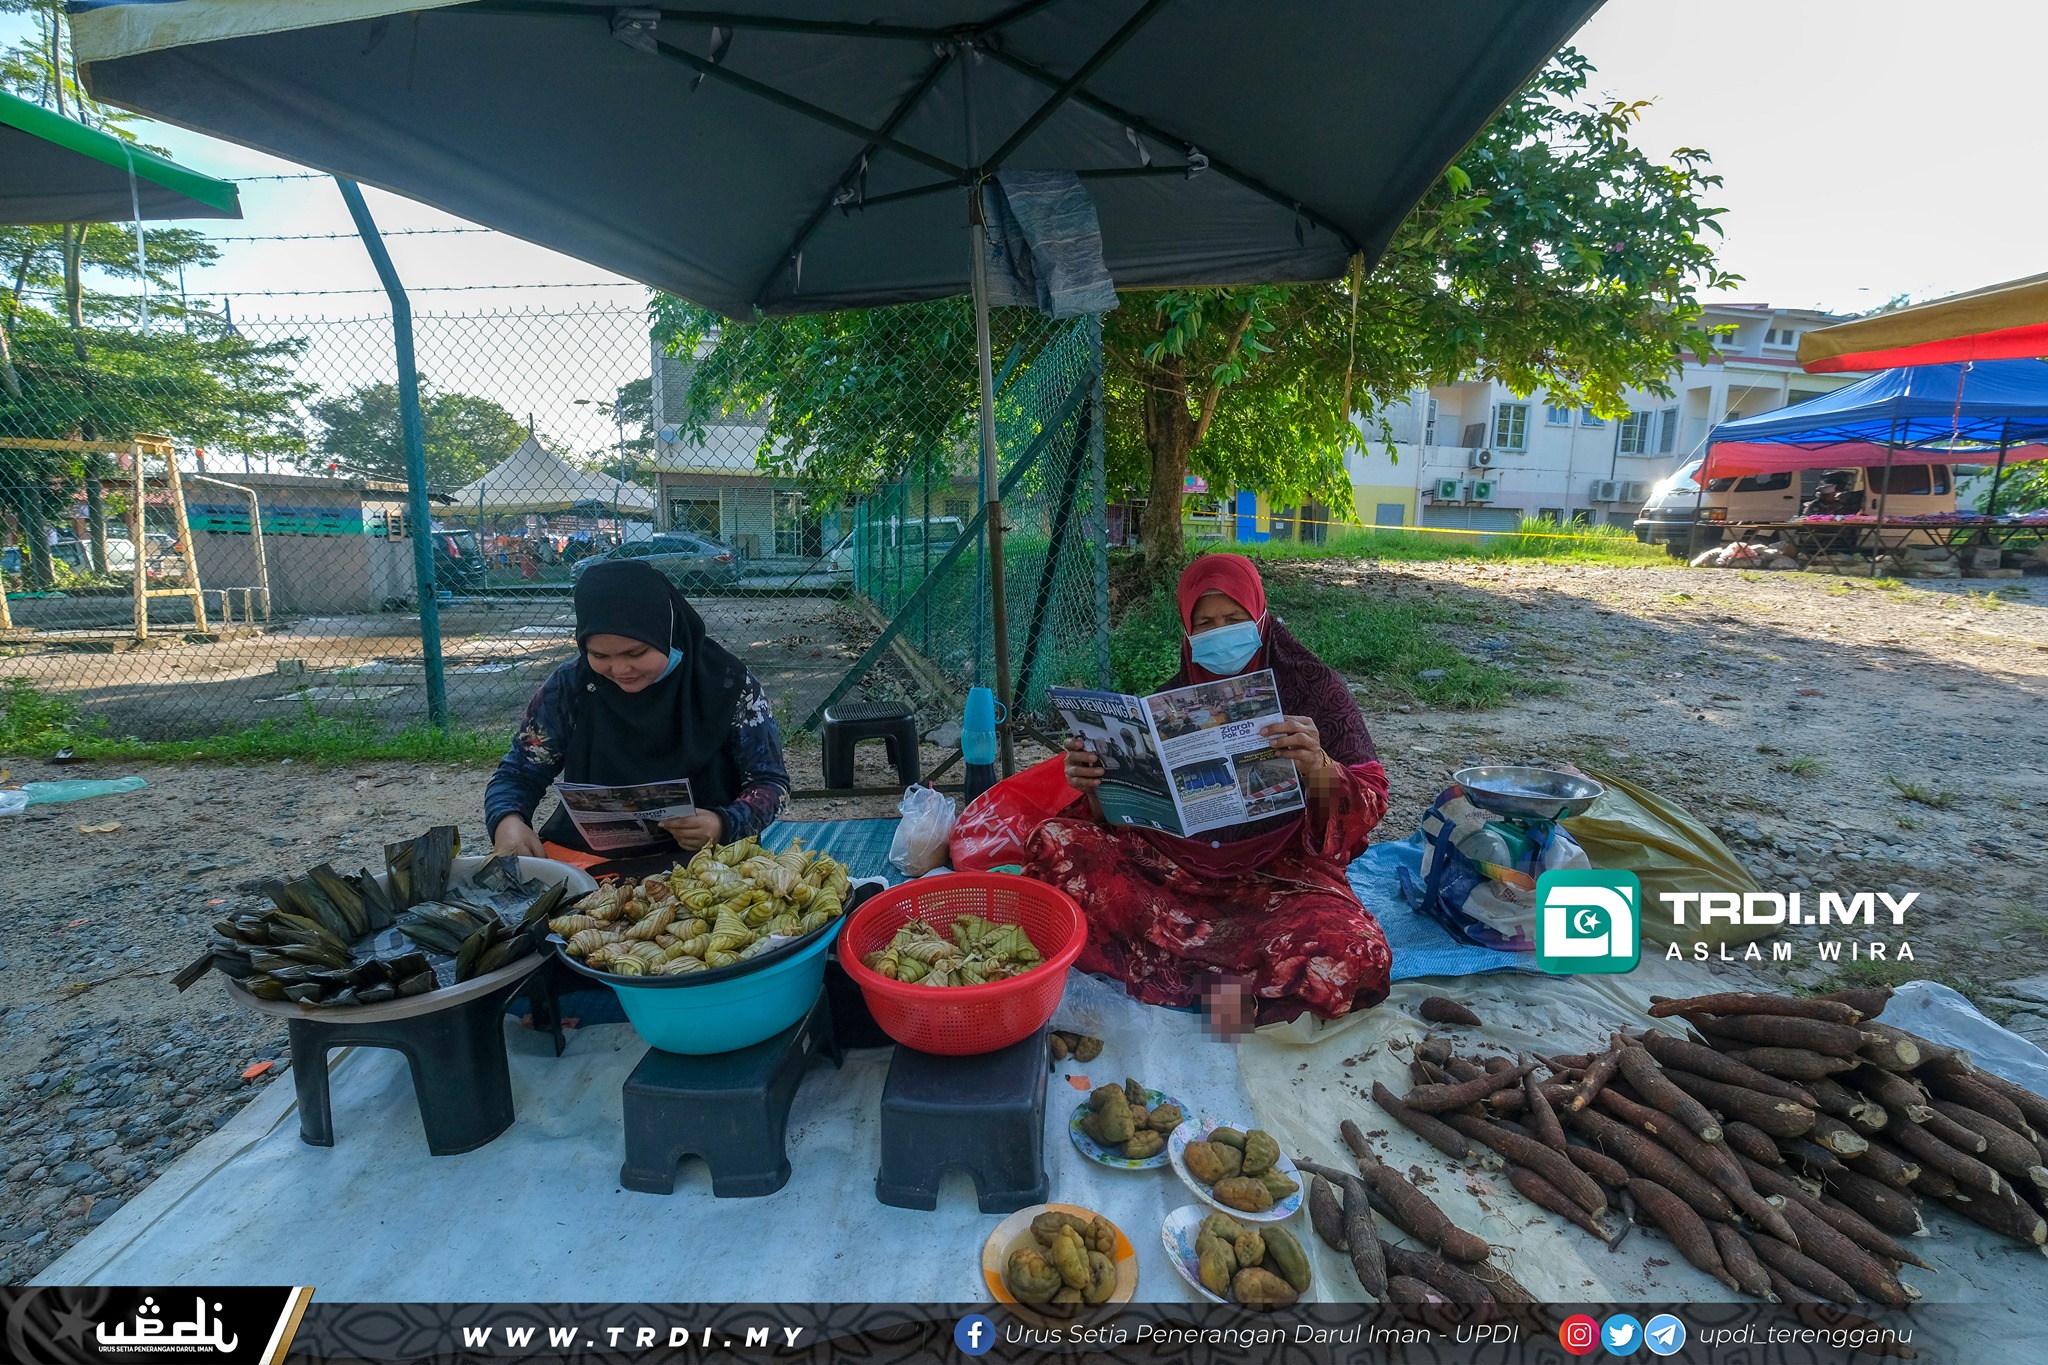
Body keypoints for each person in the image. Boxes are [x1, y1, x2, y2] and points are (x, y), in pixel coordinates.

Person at [1022, 554, 1393, 1023]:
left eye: (1235, 619)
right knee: (1054, 848)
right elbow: (1118, 820)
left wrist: (1318, 765)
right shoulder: (1166, 706)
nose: (1221, 634)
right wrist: (1094, 783)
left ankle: (1191, 985)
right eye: (1207, 623)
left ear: (1260, 617)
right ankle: (1232, 992)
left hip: (1281, 881)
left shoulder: (1315, 691)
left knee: (1352, 950)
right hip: (1171, 872)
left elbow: (1371, 800)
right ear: (1187, 631)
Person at [485, 559, 788, 857]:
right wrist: (508, 820)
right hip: (593, 855)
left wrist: (724, 823)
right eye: (599, 655)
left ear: (665, 633)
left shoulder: (726, 683)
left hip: (709, 857)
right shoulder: (571, 686)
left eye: (636, 652)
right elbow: (519, 773)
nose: (620, 669)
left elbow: (770, 783)